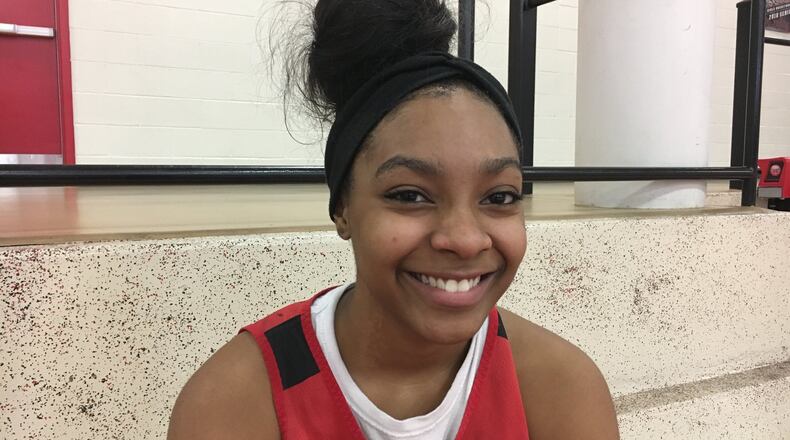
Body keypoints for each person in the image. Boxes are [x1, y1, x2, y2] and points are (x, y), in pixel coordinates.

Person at [168, 1, 619, 439]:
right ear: (342, 207)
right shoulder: (237, 401)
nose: (464, 239)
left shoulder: (561, 389)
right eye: (410, 195)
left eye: (500, 196)